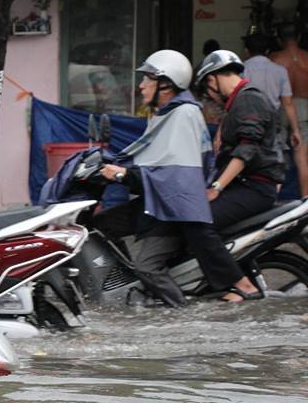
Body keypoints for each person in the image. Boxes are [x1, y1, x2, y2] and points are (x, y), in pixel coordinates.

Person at [99, 50, 259, 306]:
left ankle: (181, 312)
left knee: (146, 266)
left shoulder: (183, 114)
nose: (141, 85)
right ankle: (126, 289)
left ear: (166, 83)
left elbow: (177, 176)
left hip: (175, 206)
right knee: (102, 224)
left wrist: (124, 174)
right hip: (158, 199)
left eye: (147, 79)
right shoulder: (165, 113)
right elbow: (152, 159)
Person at [197, 49, 285, 301]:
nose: (210, 95)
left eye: (208, 87)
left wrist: (216, 187)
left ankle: (239, 284)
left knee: (201, 222)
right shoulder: (237, 102)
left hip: (255, 187)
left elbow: (247, 148)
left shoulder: (248, 99)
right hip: (249, 185)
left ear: (213, 79)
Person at [242, 33, 303, 163]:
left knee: (247, 162)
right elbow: (287, 103)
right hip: (272, 125)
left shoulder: (242, 70)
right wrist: (296, 130)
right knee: (274, 163)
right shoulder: (280, 71)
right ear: (268, 51)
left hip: (247, 124)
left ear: (246, 51)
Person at [270, 23, 308, 198]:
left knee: (276, 157)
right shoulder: (307, 57)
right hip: (304, 108)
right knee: (303, 159)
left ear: (279, 39)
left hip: (281, 107)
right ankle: (305, 201)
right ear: (299, 37)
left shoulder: (274, 58)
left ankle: (272, 200)